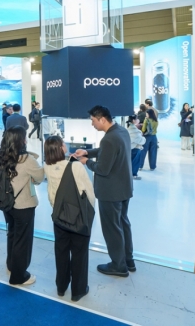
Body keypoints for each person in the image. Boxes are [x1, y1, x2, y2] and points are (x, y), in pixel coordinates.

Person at [74, 105, 134, 276]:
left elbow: (102, 169)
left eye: (93, 121)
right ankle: (128, 260)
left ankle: (118, 265)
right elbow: (106, 152)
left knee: (112, 228)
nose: (92, 124)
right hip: (124, 188)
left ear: (102, 119)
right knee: (123, 223)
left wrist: (86, 162)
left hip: (110, 192)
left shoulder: (108, 139)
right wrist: (87, 152)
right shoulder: (121, 132)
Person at [44, 136, 95, 302]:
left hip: (58, 216)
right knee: (79, 253)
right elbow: (88, 191)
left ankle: (61, 286)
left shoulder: (47, 166)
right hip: (77, 217)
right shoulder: (76, 166)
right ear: (61, 148)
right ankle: (78, 291)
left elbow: (51, 193)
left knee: (61, 251)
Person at [0, 126, 45, 285]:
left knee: (12, 234)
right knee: (23, 241)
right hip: (23, 206)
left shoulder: (1, 156)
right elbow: (39, 177)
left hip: (7, 203)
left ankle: (11, 265)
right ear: (21, 140)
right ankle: (19, 276)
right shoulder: (27, 160)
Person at [125, 115, 145, 180]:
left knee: (131, 162)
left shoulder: (129, 129)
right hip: (135, 148)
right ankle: (133, 175)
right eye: (137, 119)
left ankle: (130, 175)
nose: (138, 120)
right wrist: (143, 138)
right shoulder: (134, 131)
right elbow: (141, 140)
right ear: (133, 120)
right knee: (135, 162)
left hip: (130, 148)